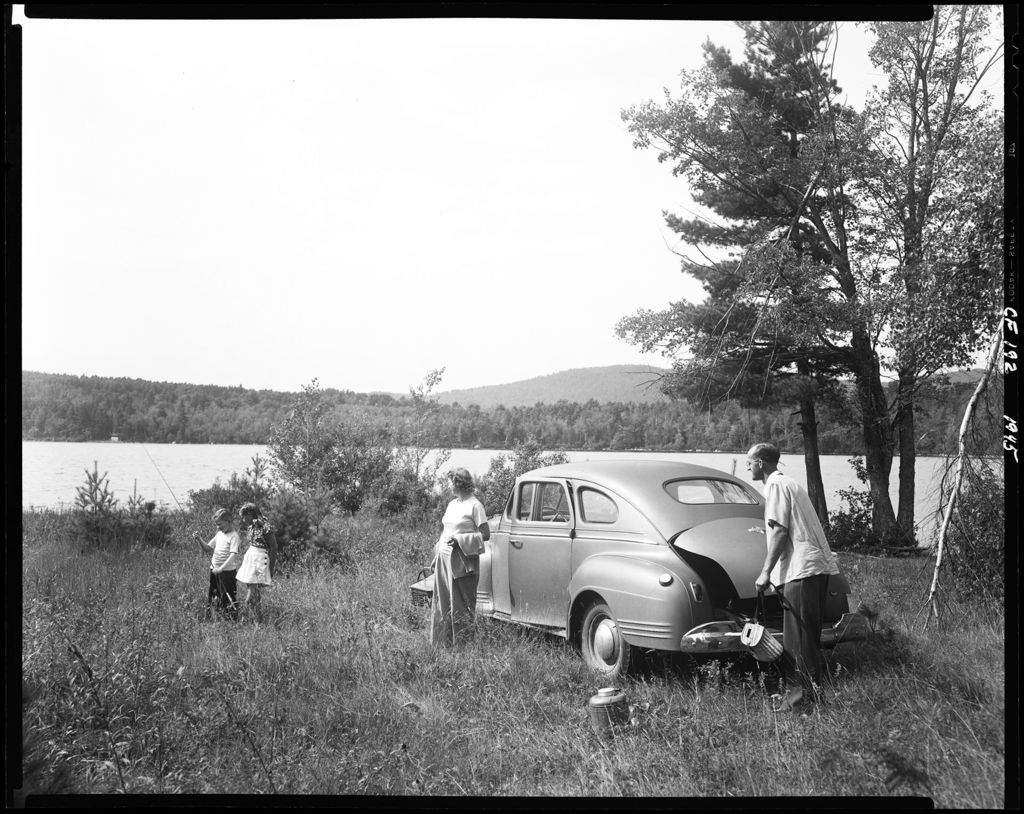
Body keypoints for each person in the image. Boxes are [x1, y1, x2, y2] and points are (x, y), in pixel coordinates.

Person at [746, 442, 840, 712]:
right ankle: (812, 697)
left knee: (796, 639)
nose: (748, 467)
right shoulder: (790, 483)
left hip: (800, 570)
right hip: (814, 568)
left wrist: (765, 572)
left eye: (749, 462)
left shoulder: (775, 486)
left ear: (761, 462)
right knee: (806, 637)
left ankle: (798, 701)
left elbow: (779, 531)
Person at [430, 468, 490, 647]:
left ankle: (463, 647)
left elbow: (485, 535)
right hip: (444, 558)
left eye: (450, 482)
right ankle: (442, 645)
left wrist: (460, 539)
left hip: (463, 562)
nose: (447, 486)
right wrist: (437, 555)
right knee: (442, 602)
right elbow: (446, 531)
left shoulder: (475, 505)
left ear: (458, 483)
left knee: (461, 605)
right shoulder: (452, 504)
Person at [195, 508, 242, 620]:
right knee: (214, 595)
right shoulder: (219, 534)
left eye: (220, 524)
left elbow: (233, 555)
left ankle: (231, 620)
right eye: (216, 524)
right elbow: (207, 548)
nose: (218, 527)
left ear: (228, 521)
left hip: (227, 573)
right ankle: (215, 618)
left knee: (228, 596)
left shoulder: (234, 536)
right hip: (214, 571)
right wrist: (199, 539)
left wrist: (221, 569)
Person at [235, 502, 278, 623]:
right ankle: (258, 620)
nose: (243, 520)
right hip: (250, 561)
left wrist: (270, 569)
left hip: (260, 562)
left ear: (250, 514)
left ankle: (246, 619)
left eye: (244, 517)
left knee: (253, 593)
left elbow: (274, 547)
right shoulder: (251, 528)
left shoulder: (265, 527)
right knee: (253, 589)